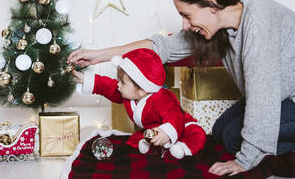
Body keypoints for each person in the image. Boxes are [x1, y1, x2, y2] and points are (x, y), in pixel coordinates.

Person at [68, 0, 295, 176]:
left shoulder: (259, 25)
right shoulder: (222, 25)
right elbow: (162, 47)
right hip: (292, 95)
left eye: (186, 16)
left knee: (235, 140)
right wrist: (100, 55)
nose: (185, 25)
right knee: (222, 130)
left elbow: (264, 99)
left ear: (211, 4)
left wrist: (245, 161)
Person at [72, 48, 206, 159]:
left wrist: (166, 133)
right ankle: (155, 147)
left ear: (142, 90)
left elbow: (175, 116)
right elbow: (109, 86)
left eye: (122, 82)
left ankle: (181, 147)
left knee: (197, 133)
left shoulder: (162, 98)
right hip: (152, 132)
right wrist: (85, 80)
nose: (118, 84)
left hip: (181, 127)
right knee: (135, 139)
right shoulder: (129, 95)